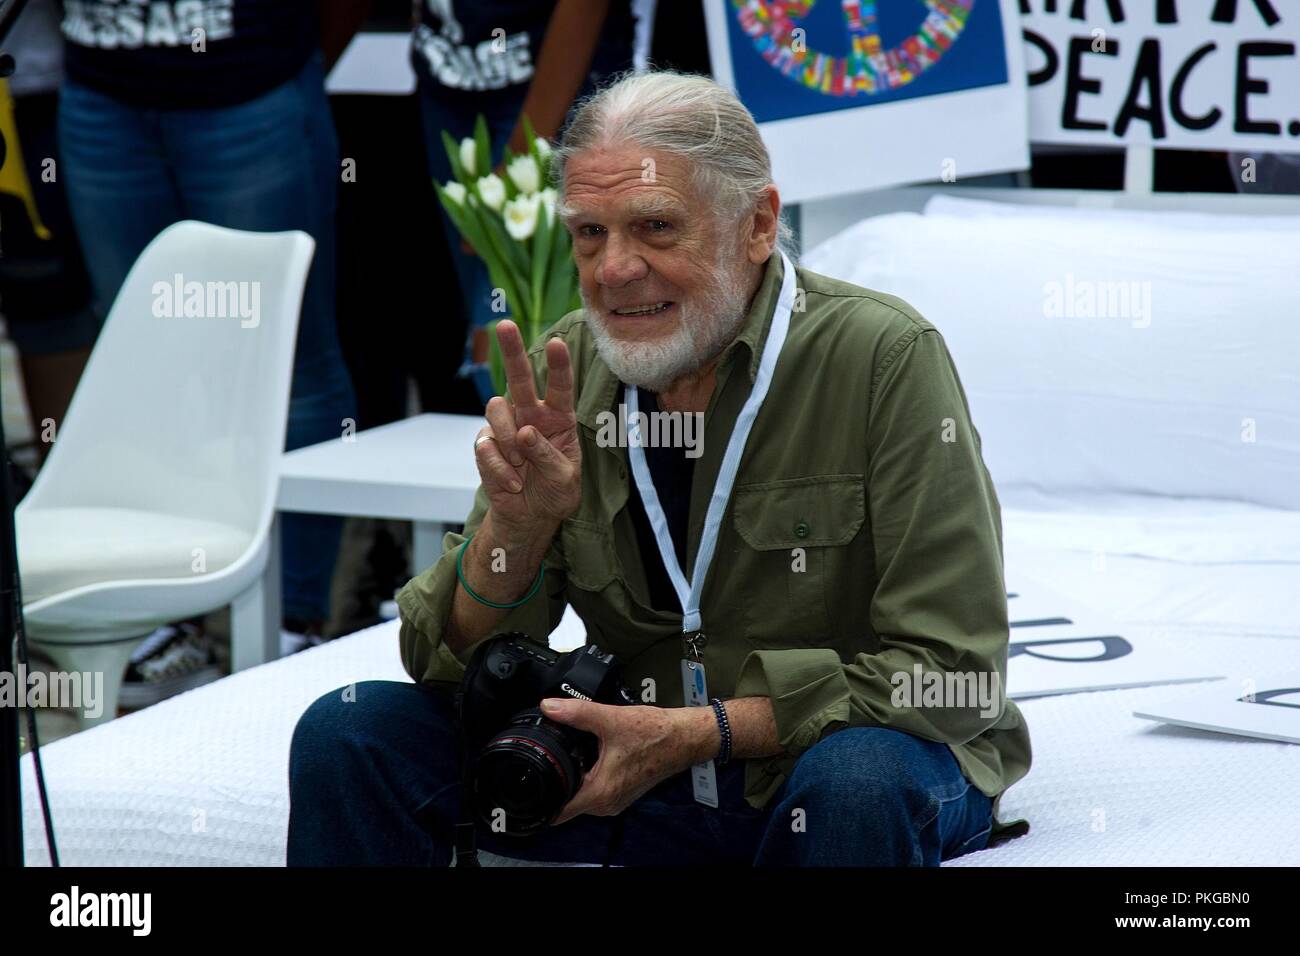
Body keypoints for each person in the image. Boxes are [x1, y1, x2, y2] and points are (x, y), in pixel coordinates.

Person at [288, 71, 1032, 867]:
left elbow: (952, 674)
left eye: (655, 227)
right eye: (589, 233)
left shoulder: (882, 357)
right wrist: (519, 529)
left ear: (757, 225)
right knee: (350, 732)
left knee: (855, 785)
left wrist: (697, 732)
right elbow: (444, 663)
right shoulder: (569, 365)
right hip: (633, 772)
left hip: (819, 767)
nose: (614, 269)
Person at [55, 1, 365, 700]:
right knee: (140, 361)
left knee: (292, 366)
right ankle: (166, 610)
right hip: (100, 88)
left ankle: (294, 618)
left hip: (248, 84)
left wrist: (292, 54)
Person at [412, 0, 635, 404]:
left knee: (509, 328)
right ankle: (518, 447)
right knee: (492, 318)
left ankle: (559, 451)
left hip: (555, 90)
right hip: (447, 84)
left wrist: (519, 155)